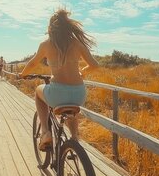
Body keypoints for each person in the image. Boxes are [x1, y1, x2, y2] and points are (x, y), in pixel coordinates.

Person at [19, 9, 99, 148]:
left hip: (57, 94)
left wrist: (22, 74)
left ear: (51, 28)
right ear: (68, 27)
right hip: (79, 94)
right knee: (72, 111)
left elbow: (32, 63)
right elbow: (94, 65)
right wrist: (83, 72)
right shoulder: (77, 43)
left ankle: (45, 132)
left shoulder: (46, 44)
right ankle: (74, 139)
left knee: (39, 92)